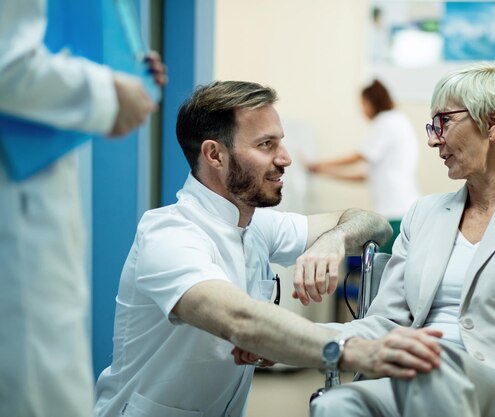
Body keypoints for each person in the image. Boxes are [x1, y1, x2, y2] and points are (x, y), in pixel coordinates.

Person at [93, 80, 441, 417]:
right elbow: (240, 320)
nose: (285, 158)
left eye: (281, 142)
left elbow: (373, 223)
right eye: (266, 145)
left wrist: (333, 239)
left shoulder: (258, 226)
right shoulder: (169, 235)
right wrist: (355, 351)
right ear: (214, 154)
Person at [309, 62, 495, 417]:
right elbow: (384, 322)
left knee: (433, 367)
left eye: (444, 121)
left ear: (493, 122)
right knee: (336, 404)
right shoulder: (423, 214)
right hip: (410, 374)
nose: (434, 138)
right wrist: (295, 338)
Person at [0, 1, 166, 416]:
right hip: (17, 193)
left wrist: (123, 70)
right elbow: (8, 63)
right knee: (35, 386)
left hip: (31, 181)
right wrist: (108, 91)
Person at [306, 79, 419, 252]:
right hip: (401, 209)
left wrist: (319, 165)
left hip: (396, 211)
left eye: (363, 104)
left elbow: (360, 156)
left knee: (385, 269)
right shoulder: (397, 122)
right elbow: (364, 176)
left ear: (372, 102)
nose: (362, 109)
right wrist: (323, 172)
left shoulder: (387, 121)